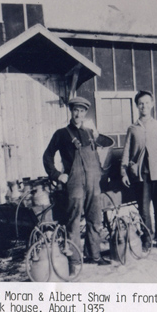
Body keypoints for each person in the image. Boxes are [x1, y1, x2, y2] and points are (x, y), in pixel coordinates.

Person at [43, 96, 110, 275]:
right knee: (73, 221)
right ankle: (74, 260)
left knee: (95, 219)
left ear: (85, 113)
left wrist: (97, 135)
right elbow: (47, 156)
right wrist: (57, 175)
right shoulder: (61, 133)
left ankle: (94, 255)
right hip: (75, 183)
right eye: (75, 110)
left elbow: (104, 147)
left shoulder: (90, 133)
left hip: (93, 182)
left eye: (82, 111)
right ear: (71, 111)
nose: (78, 113)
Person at [121, 90, 157, 250]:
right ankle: (147, 239)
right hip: (141, 176)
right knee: (144, 209)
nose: (144, 106)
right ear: (137, 106)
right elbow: (126, 151)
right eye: (141, 103)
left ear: (152, 105)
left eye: (147, 103)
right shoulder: (132, 128)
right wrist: (124, 171)